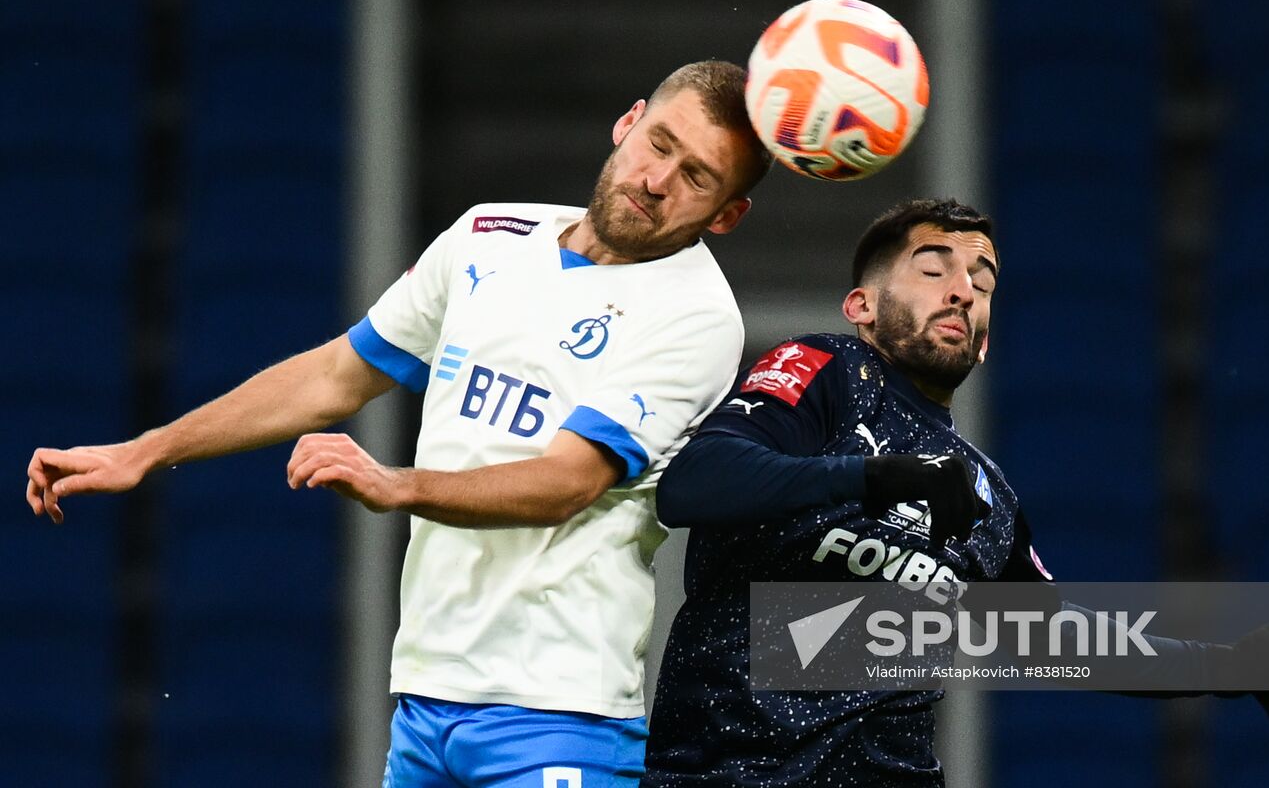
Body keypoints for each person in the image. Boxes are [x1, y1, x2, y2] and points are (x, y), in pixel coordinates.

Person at [26, 59, 773, 788]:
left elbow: (568, 483)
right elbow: (332, 376)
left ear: (727, 215)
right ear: (629, 122)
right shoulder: (488, 234)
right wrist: (146, 451)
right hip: (425, 697)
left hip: (558, 706)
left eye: (696, 177)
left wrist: (396, 485)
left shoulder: (696, 316)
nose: (655, 180)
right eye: (660, 144)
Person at [643, 198, 1269, 787]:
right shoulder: (830, 371)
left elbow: (1052, 637)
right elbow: (694, 484)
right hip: (724, 772)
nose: (962, 289)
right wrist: (873, 476)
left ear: (983, 340)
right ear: (862, 303)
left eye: (982, 280)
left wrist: (1223, 662)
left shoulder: (986, 495)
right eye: (933, 268)